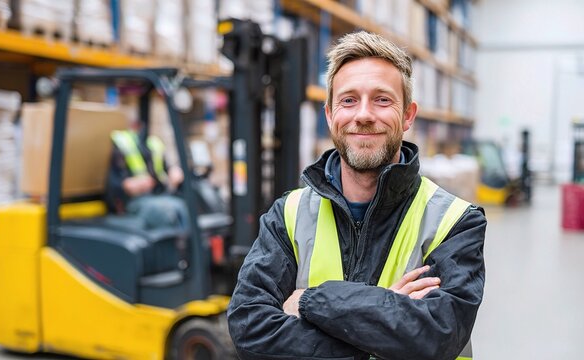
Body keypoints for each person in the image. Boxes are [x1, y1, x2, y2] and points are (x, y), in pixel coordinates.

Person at [227, 31, 486, 360]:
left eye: (382, 99)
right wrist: (383, 315)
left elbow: (435, 337)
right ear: (330, 115)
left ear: (408, 115)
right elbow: (250, 330)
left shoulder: (454, 222)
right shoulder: (288, 216)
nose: (363, 115)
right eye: (348, 100)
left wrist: (310, 300)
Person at [105, 125, 187, 231]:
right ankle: (172, 246)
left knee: (183, 206)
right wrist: (130, 185)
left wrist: (174, 172)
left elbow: (165, 168)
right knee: (165, 213)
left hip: (157, 196)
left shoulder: (153, 144)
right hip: (133, 201)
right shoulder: (121, 146)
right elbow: (115, 185)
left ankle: (188, 243)